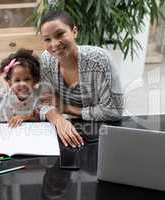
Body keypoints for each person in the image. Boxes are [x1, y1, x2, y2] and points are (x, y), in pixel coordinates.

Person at [39, 11, 124, 148]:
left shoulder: (99, 60)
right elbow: (43, 103)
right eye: (47, 39)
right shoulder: (46, 60)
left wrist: (66, 108)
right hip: (65, 130)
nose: (54, 44)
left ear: (74, 32)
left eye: (60, 34)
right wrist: (58, 118)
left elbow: (114, 110)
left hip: (99, 131)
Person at [0, 48, 54, 128]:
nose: (22, 84)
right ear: (10, 83)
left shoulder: (38, 95)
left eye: (27, 79)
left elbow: (38, 116)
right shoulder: (5, 94)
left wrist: (24, 117)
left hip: (29, 132)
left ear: (34, 80)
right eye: (17, 80)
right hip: (5, 130)